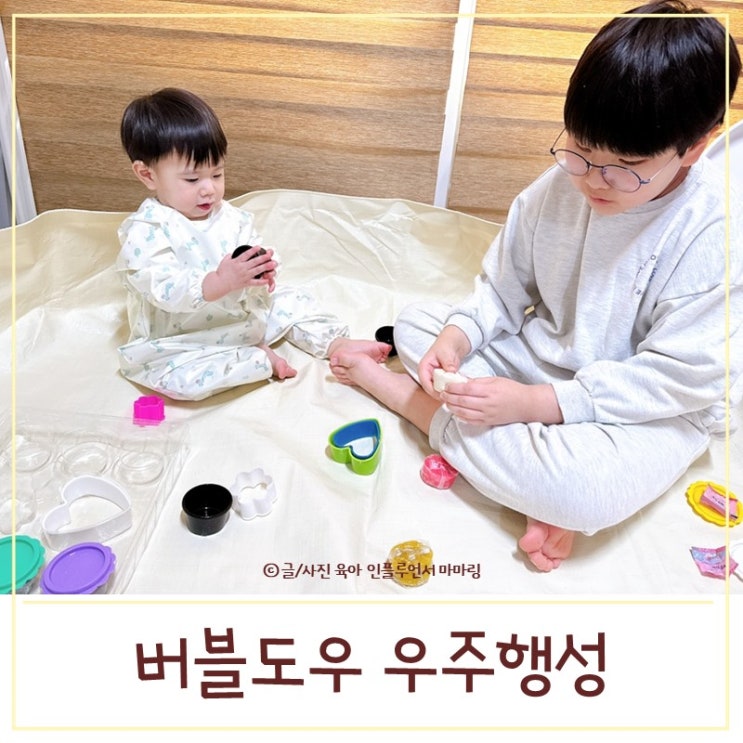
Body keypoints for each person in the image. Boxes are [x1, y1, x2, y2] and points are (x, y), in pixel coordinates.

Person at [330, 1, 743, 571]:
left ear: (695, 147)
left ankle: (400, 396)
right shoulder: (560, 185)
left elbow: (684, 378)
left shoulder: (716, 231)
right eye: (580, 150)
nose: (594, 181)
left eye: (625, 165)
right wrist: (458, 336)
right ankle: (517, 469)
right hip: (543, 360)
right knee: (418, 325)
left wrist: (537, 405)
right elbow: (502, 289)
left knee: (584, 494)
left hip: (652, 406)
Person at [116, 88, 390, 401]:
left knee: (293, 301)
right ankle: (256, 360)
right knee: (180, 381)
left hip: (243, 314)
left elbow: (252, 247)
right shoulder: (148, 229)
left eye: (217, 174)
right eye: (192, 180)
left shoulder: (229, 216)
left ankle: (335, 344)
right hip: (188, 335)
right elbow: (163, 289)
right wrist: (219, 281)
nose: (209, 189)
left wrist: (264, 268)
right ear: (147, 175)